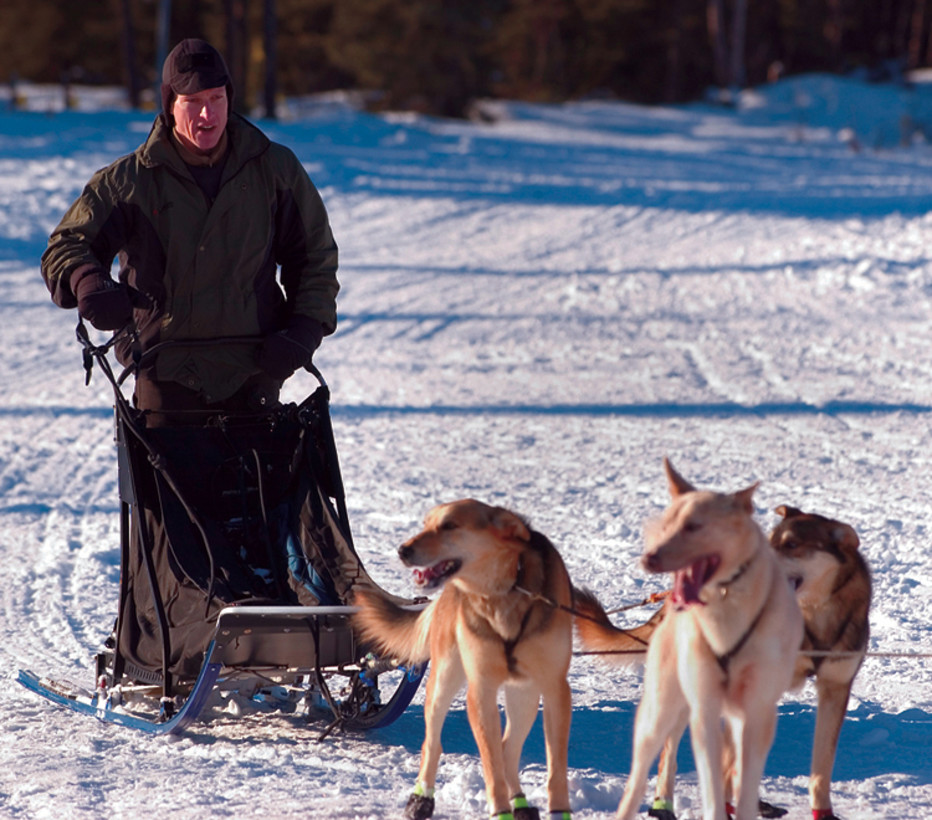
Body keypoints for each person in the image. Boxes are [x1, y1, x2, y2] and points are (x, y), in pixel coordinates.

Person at [41, 38, 339, 424]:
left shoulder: (274, 169)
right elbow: (66, 246)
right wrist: (88, 281)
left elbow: (314, 255)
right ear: (169, 105)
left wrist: (304, 329)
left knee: (271, 485)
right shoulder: (129, 181)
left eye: (216, 98)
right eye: (193, 101)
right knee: (167, 486)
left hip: (255, 370)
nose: (207, 114)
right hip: (162, 372)